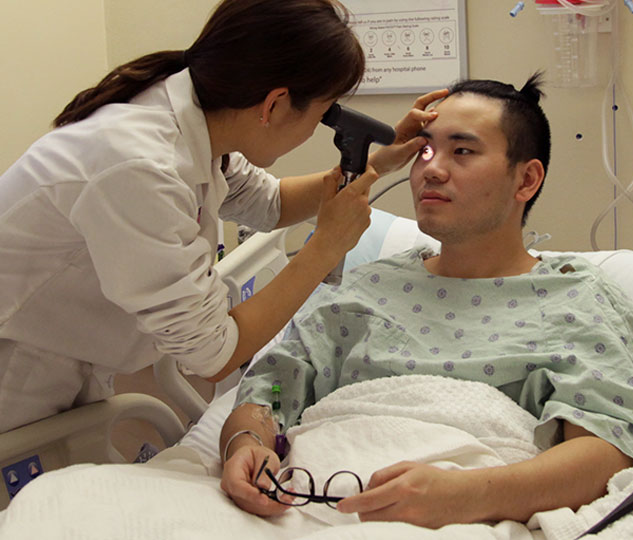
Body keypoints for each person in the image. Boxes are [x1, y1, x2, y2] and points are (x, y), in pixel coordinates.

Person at [219, 73, 633, 528]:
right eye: (424, 150)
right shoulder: (362, 288)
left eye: (463, 151)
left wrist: (468, 495)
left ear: (527, 179)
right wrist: (247, 444)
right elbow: (270, 391)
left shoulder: (575, 300)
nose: (432, 169)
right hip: (317, 495)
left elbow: (604, 450)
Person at [0, 0, 444, 433]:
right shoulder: (140, 166)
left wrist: (379, 162)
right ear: (274, 105)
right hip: (18, 362)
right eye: (321, 112)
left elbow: (272, 203)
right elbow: (214, 354)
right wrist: (325, 246)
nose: (317, 127)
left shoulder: (197, 118)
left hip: (62, 345)